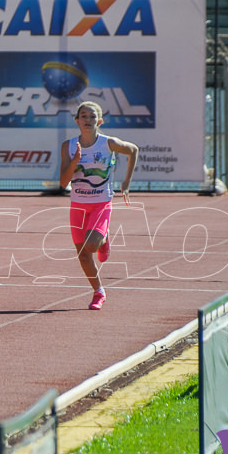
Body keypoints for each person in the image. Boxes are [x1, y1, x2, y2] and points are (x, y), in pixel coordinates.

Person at [58, 101, 138, 310]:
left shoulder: (108, 143)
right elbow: (63, 182)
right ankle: (98, 292)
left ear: (99, 121)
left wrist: (126, 182)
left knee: (90, 245)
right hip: (77, 205)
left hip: (101, 203)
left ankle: (101, 240)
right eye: (83, 116)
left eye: (92, 116)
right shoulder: (68, 146)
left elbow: (133, 150)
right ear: (77, 121)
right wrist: (75, 161)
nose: (87, 120)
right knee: (83, 255)